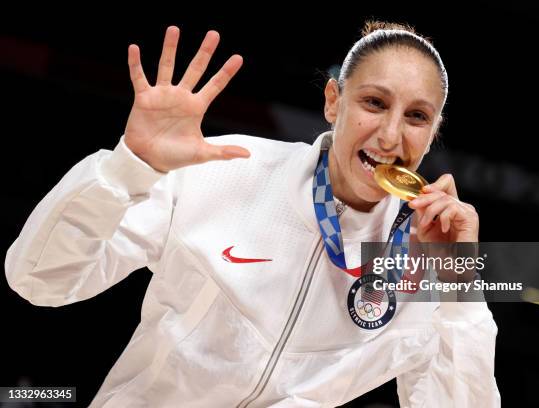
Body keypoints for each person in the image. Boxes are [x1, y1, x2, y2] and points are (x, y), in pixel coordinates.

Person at [5, 20, 501, 407]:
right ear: (334, 102)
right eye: (374, 102)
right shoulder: (223, 173)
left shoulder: (424, 255)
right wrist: (127, 169)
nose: (391, 137)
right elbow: (40, 280)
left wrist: (458, 284)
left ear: (433, 132)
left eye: (416, 116)